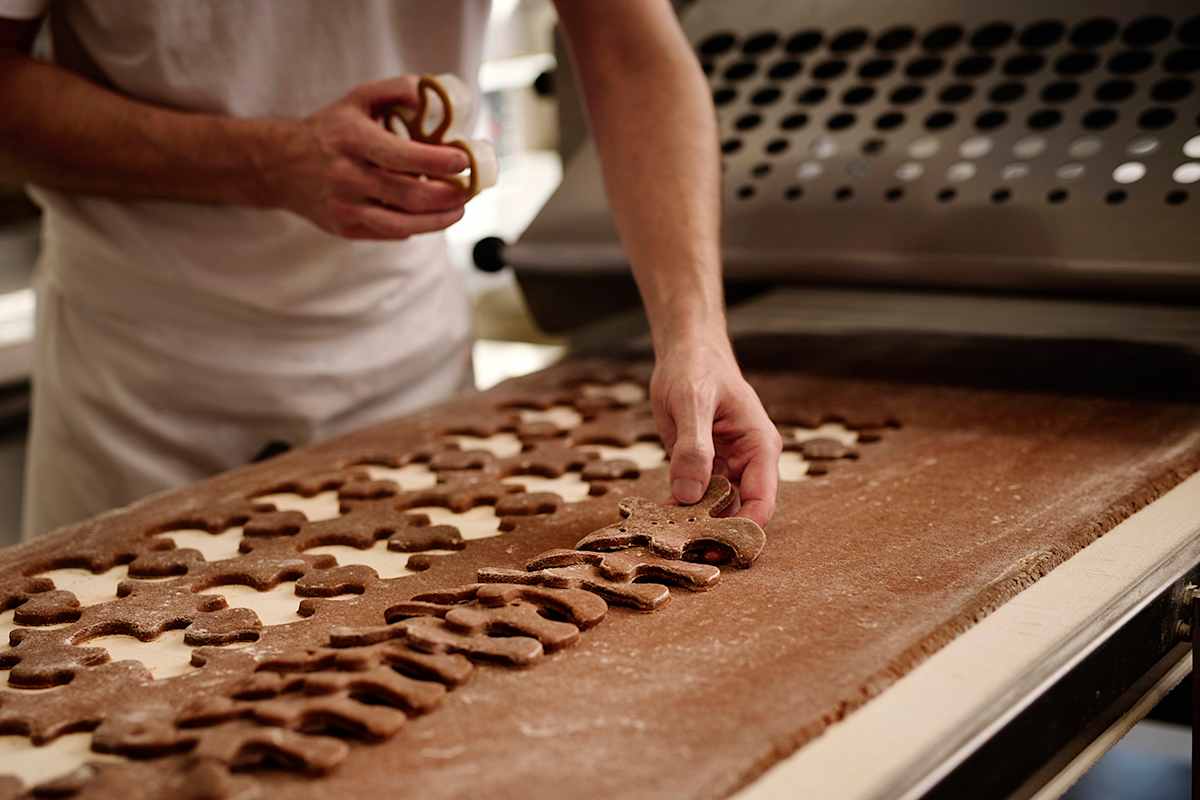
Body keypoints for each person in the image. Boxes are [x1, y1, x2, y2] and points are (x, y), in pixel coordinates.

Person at [0, 0, 781, 538]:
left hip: (403, 360)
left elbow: (630, 50)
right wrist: (266, 163)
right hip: (139, 377)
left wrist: (695, 335)